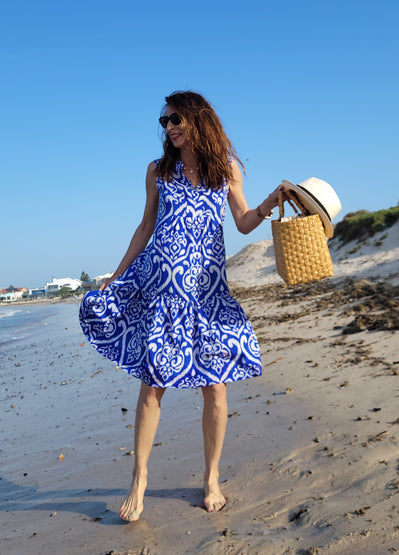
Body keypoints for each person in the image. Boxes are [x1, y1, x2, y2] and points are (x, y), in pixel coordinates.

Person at [79, 91, 284, 522]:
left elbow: (244, 221)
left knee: (216, 385)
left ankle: (210, 478)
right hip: (163, 291)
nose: (168, 126)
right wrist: (117, 275)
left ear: (196, 119)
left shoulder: (226, 169)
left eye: (175, 118)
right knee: (153, 384)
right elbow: (146, 226)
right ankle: (139, 477)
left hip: (208, 294)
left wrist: (269, 204)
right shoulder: (159, 171)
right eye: (164, 121)